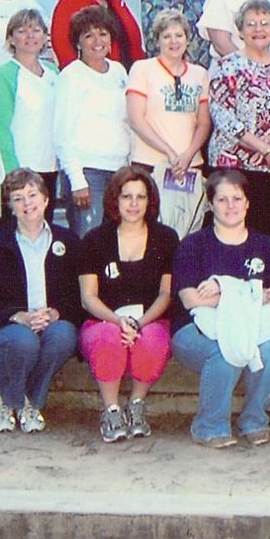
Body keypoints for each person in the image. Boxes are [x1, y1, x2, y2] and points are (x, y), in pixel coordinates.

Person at [169, 169, 270, 448]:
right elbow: (191, 300)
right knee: (224, 350)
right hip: (195, 330)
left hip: (251, 326)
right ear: (210, 204)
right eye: (222, 200)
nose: (231, 206)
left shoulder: (265, 246)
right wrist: (252, 293)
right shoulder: (193, 245)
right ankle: (209, 425)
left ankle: (254, 419)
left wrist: (224, 290)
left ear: (248, 202)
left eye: (237, 198)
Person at [0, 168, 82, 434]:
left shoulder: (68, 241)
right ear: (10, 206)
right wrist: (18, 316)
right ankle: (9, 401)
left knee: (64, 336)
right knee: (22, 341)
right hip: (9, 324)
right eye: (18, 198)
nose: (27, 204)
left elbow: (78, 296)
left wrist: (57, 313)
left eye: (32, 195)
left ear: (47, 199)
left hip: (51, 321)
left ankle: (21, 400)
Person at [75, 166, 177, 444]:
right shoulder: (94, 240)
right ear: (114, 200)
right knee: (108, 338)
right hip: (103, 320)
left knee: (152, 339)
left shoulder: (166, 238)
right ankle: (111, 409)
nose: (133, 204)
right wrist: (117, 321)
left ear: (149, 201)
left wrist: (139, 324)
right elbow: (88, 298)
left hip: (150, 318)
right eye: (126, 196)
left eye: (140, 197)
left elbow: (166, 294)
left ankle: (136, 405)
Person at [205, 0, 270, 247]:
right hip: (236, 170)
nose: (258, 29)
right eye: (251, 24)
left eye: (264, 23)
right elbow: (223, 117)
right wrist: (265, 149)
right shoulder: (227, 66)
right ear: (240, 30)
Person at [124, 8, 212, 237]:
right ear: (157, 40)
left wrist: (187, 155)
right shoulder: (142, 69)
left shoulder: (199, 74)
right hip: (150, 164)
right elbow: (136, 118)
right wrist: (170, 152)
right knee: (151, 231)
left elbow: (203, 122)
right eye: (166, 36)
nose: (174, 41)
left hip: (190, 166)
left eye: (179, 35)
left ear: (187, 38)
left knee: (188, 231)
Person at [52, 5, 131, 239]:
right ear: (78, 42)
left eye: (103, 33)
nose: (97, 41)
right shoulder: (71, 76)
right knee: (88, 245)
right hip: (88, 175)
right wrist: (77, 180)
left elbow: (126, 121)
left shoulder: (118, 71)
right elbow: (62, 134)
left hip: (118, 171)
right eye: (89, 35)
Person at [0, 7, 57, 205]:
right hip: (17, 173)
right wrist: (11, 175)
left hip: (48, 168)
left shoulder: (54, 72)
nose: (30, 36)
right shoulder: (3, 74)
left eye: (36, 30)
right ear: (11, 38)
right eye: (22, 31)